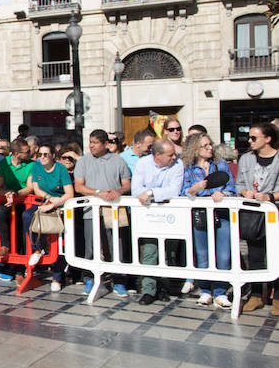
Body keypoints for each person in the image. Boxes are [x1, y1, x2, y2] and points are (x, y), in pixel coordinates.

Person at [73, 129, 132, 297]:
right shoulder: (83, 161)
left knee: (116, 245)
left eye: (95, 143)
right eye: (90, 142)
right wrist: (97, 193)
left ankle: (119, 280)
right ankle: (89, 279)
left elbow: (127, 184)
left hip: (114, 209)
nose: (91, 146)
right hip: (91, 210)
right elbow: (79, 186)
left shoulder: (118, 160)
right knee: (90, 246)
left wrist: (119, 191)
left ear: (106, 144)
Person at [180, 133, 236, 309]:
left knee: (223, 255)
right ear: (195, 149)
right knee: (202, 254)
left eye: (210, 144)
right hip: (200, 215)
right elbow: (183, 192)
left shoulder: (220, 164)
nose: (210, 148)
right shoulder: (187, 168)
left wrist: (223, 193)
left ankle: (220, 292)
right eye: (205, 145)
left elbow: (231, 186)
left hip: (222, 214)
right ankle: (205, 291)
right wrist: (194, 189)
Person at [130, 139, 184, 305]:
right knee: (150, 251)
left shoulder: (178, 165)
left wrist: (151, 192)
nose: (174, 157)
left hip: (170, 215)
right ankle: (148, 290)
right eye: (170, 155)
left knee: (169, 253)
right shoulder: (142, 164)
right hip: (150, 216)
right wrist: (156, 194)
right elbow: (136, 190)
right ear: (158, 155)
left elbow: (174, 190)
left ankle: (164, 288)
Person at [236, 122, 279, 315]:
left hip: (274, 211)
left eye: (254, 137)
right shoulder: (246, 159)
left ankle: (277, 296)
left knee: (277, 253)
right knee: (255, 254)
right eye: (249, 137)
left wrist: (270, 196)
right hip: (253, 213)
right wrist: (245, 192)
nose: (250, 141)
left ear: (268, 139)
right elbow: (239, 184)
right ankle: (255, 295)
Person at [23, 144, 74, 291]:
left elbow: (69, 193)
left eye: (46, 154)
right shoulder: (36, 166)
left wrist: (54, 203)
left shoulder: (61, 169)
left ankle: (57, 276)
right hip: (45, 201)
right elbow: (36, 188)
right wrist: (49, 198)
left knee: (60, 240)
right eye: (40, 154)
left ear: (53, 156)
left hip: (61, 204)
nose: (43, 157)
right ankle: (37, 249)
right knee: (27, 215)